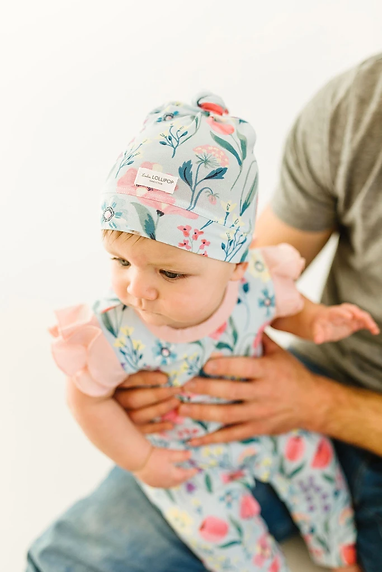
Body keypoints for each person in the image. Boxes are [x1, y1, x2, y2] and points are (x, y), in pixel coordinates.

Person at [26, 54, 382, 572]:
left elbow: (273, 296)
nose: (137, 289)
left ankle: (337, 545)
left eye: (167, 275)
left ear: (235, 267)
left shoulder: (247, 275)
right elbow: (85, 398)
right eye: (121, 262)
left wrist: (318, 392)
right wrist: (139, 449)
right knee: (75, 559)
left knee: (312, 469)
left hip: (296, 422)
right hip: (191, 453)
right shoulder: (360, 105)